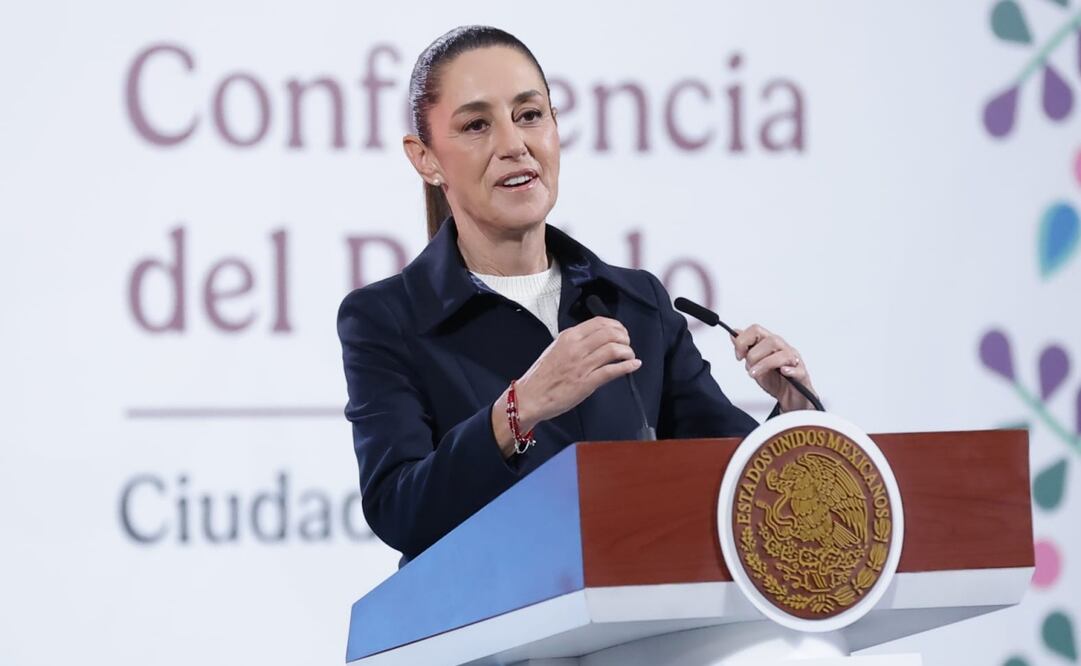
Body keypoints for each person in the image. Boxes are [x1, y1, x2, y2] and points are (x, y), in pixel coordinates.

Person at [337, 25, 818, 565]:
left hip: (641, 632)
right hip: (495, 638)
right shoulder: (387, 318)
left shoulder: (636, 302)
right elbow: (400, 511)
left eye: (529, 115)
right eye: (476, 125)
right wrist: (519, 411)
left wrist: (795, 414)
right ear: (425, 158)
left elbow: (732, 482)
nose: (513, 145)